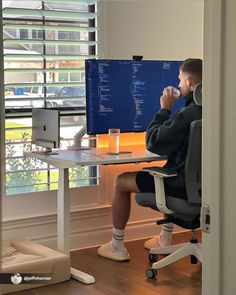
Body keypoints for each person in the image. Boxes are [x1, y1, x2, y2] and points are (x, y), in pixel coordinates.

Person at [97, 58, 202, 261]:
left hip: (182, 189)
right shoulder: (220, 112)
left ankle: (117, 246)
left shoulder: (187, 114)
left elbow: (153, 142)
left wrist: (164, 109)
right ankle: (164, 239)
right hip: (210, 190)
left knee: (121, 181)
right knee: (168, 168)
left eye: (179, 80)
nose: (178, 84)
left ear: (189, 82)